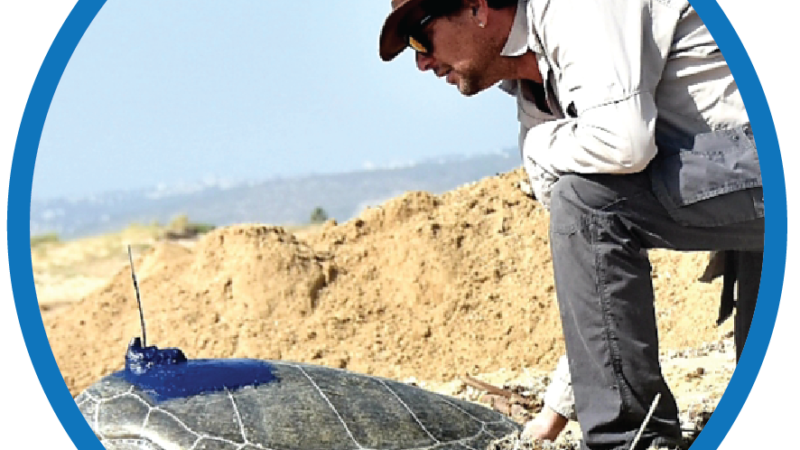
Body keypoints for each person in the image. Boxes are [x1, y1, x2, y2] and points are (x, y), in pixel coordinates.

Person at [378, 0, 765, 449]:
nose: (421, 61)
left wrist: (537, 152)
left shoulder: (578, 9)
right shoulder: (536, 85)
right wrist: (561, 404)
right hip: (744, 195)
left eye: (419, 38)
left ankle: (629, 442)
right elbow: (594, 271)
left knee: (585, 198)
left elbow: (624, 145)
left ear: (478, 7)